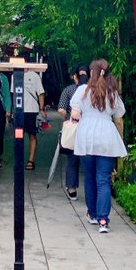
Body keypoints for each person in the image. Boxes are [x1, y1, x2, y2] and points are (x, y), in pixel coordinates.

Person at [70, 58, 127, 232]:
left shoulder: (82, 90)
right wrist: (120, 139)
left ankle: (93, 214)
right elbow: (119, 118)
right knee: (103, 179)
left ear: (91, 73)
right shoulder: (113, 93)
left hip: (87, 136)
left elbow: (75, 114)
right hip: (107, 136)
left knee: (89, 177)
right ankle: (103, 220)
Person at [57, 66, 88, 199]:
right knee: (88, 159)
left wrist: (67, 118)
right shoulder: (93, 91)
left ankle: (72, 188)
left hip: (74, 126)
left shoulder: (69, 90)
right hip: (88, 127)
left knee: (72, 158)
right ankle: (91, 189)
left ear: (74, 76)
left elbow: (61, 109)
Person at [22, 65, 46, 170]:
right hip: (20, 110)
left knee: (32, 135)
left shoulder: (35, 76)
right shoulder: (15, 75)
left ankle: (31, 160)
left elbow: (41, 93)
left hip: (32, 110)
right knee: (18, 136)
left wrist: (41, 109)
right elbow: (13, 92)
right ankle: (19, 158)